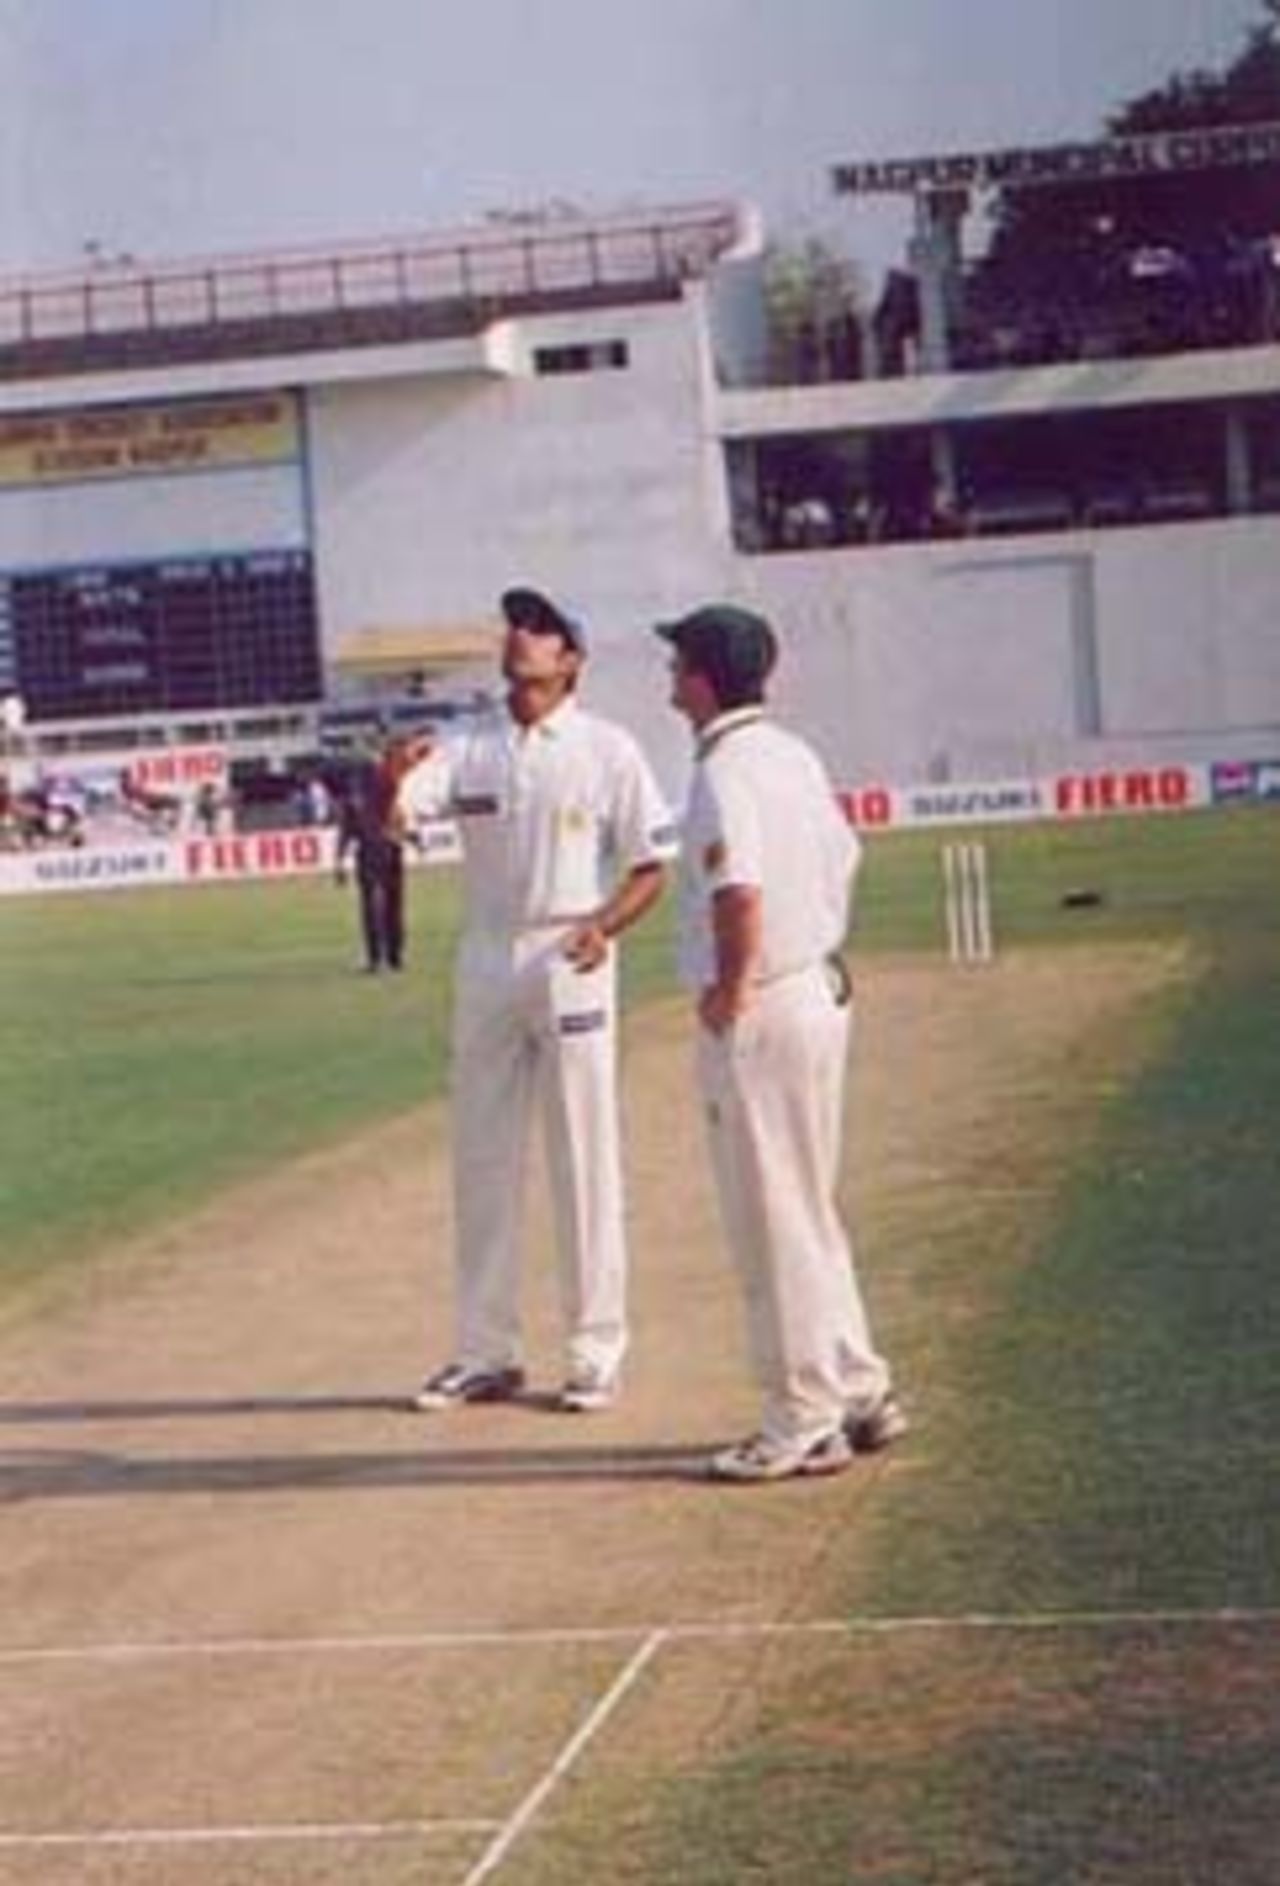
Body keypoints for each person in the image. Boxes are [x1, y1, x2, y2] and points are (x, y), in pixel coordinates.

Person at [399, 585, 675, 1413]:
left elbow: (652, 863)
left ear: (571, 660)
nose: (522, 637)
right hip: (486, 953)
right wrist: (391, 791)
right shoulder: (467, 743)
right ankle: (487, 1351)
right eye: (516, 625)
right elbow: (404, 810)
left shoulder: (608, 748)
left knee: (584, 1152)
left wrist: (605, 926)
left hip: (570, 949)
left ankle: (596, 1350)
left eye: (542, 628)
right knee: (481, 1157)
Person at [656, 602, 906, 1483]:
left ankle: (802, 1417)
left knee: (771, 1216)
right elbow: (844, 859)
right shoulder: (792, 754)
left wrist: (729, 988)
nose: (668, 678)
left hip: (762, 1004)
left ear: (702, 677)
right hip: (813, 987)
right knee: (806, 1204)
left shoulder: (726, 771)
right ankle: (859, 1387)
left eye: (677, 663)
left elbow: (738, 894)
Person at [334, 736, 419, 973]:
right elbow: (400, 817)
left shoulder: (358, 792)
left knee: (373, 905)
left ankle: (378, 958)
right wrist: (409, 838)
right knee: (393, 903)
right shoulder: (389, 785)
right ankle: (394, 957)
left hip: (372, 849)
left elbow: (346, 829)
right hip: (390, 847)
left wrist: (339, 861)